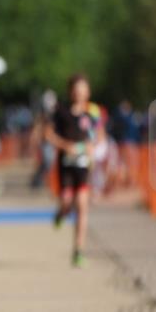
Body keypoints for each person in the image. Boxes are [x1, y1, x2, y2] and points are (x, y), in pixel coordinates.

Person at [45, 74, 105, 268]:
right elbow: (48, 134)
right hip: (66, 164)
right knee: (67, 201)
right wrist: (65, 145)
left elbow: (100, 135)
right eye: (76, 89)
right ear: (71, 91)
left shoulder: (93, 112)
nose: (80, 93)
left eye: (83, 89)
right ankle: (60, 215)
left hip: (84, 164)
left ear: (88, 91)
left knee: (82, 204)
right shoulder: (61, 111)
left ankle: (78, 251)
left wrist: (92, 145)